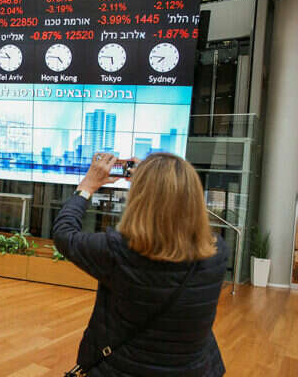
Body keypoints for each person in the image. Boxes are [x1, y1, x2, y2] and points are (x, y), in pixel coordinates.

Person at [53, 153, 228, 377]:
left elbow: (64, 233)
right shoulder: (217, 252)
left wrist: (87, 186)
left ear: (139, 198)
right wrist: (156, 179)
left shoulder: (118, 252)